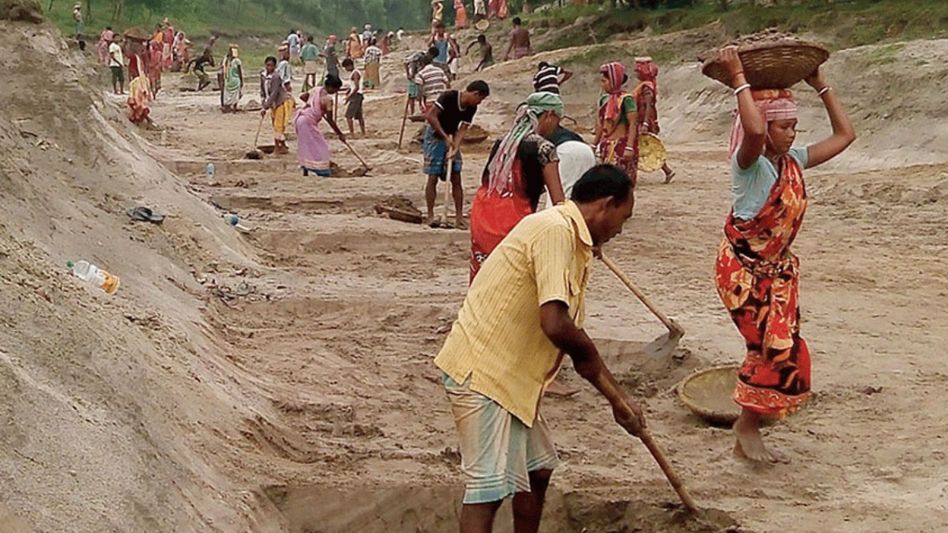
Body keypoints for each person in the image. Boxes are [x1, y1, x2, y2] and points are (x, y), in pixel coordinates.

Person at [435, 164, 643, 533]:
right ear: (606, 205)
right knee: (488, 490)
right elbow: (556, 324)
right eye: (622, 219)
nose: (620, 230)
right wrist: (616, 397)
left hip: (515, 380)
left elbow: (569, 333)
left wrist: (618, 400)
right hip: (484, 372)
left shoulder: (573, 240)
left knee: (537, 469)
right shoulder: (554, 230)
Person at [714, 47, 854, 463]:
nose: (792, 134)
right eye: (785, 127)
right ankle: (747, 426)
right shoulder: (749, 165)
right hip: (741, 271)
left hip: (776, 274)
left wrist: (820, 86)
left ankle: (749, 422)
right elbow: (754, 133)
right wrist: (739, 77)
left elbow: (846, 136)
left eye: (795, 126)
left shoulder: (792, 160)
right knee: (766, 349)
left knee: (783, 350)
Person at [470, 92, 567, 280]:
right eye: (557, 120)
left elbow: (486, 181)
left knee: (484, 280)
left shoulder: (502, 143)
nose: (557, 127)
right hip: (513, 219)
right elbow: (558, 201)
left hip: (483, 215)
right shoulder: (544, 149)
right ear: (548, 115)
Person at [422, 80, 491, 227]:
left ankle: (459, 217)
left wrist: (455, 147)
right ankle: (430, 215)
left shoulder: (471, 108)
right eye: (480, 99)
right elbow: (431, 116)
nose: (479, 103)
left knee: (456, 176)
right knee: (433, 176)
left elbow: (463, 129)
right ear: (475, 94)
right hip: (435, 136)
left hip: (451, 136)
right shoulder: (448, 97)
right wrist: (445, 137)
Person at [294, 76, 348, 177]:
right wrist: (340, 134)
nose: (336, 92)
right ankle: (322, 170)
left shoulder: (315, 89)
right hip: (307, 121)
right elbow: (331, 120)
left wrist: (313, 105)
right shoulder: (328, 100)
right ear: (332, 88)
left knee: (306, 145)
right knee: (321, 146)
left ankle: (306, 170)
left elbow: (302, 96)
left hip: (301, 119)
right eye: (336, 89)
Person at [632, 57, 675, 183]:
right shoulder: (644, 85)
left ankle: (667, 170)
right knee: (644, 147)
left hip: (644, 121)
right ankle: (667, 171)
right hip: (642, 120)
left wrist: (645, 123)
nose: (636, 73)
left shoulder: (647, 87)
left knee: (643, 147)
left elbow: (648, 106)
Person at [594, 62, 638, 180]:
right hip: (606, 145)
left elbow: (633, 123)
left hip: (621, 146)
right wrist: (594, 144)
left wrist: (629, 147)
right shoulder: (604, 99)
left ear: (614, 81)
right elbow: (601, 123)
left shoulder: (627, 99)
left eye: (604, 81)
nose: (602, 85)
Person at [260, 56, 294, 155]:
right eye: (267, 65)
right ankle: (282, 146)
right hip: (272, 104)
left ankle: (277, 148)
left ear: (275, 66)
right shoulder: (263, 76)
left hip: (280, 102)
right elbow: (262, 91)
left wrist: (265, 107)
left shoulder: (276, 77)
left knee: (278, 125)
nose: (269, 67)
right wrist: (263, 104)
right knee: (275, 124)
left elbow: (274, 93)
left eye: (271, 65)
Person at [405, 48, 435, 115]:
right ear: (430, 53)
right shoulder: (418, 55)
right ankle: (412, 112)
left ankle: (423, 110)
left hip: (422, 77)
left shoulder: (429, 60)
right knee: (412, 95)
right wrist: (409, 74)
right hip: (413, 77)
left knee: (424, 94)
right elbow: (406, 63)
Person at [341, 58, 365, 137]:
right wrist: (349, 90)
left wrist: (349, 96)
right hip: (358, 95)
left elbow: (357, 87)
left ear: (350, 65)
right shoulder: (354, 73)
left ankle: (352, 134)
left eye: (346, 67)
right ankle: (363, 132)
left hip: (356, 95)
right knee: (359, 115)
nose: (346, 69)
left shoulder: (355, 73)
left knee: (348, 116)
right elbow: (353, 85)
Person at [221, 45, 243, 113]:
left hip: (228, 79)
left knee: (228, 94)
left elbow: (223, 70)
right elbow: (240, 72)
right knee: (235, 95)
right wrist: (242, 81)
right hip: (235, 80)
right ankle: (234, 107)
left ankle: (228, 107)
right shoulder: (236, 61)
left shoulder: (226, 60)